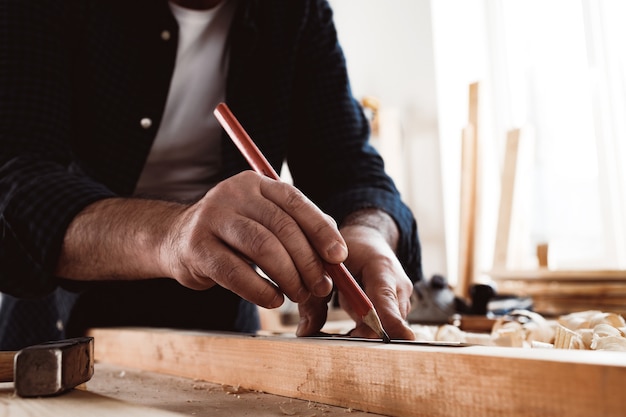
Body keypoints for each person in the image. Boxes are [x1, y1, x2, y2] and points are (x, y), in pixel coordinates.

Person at [0, 0, 424, 350]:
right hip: (58, 324)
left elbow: (351, 170)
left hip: (222, 322)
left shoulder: (298, 12)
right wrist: (174, 233)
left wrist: (369, 232)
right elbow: (14, 183)